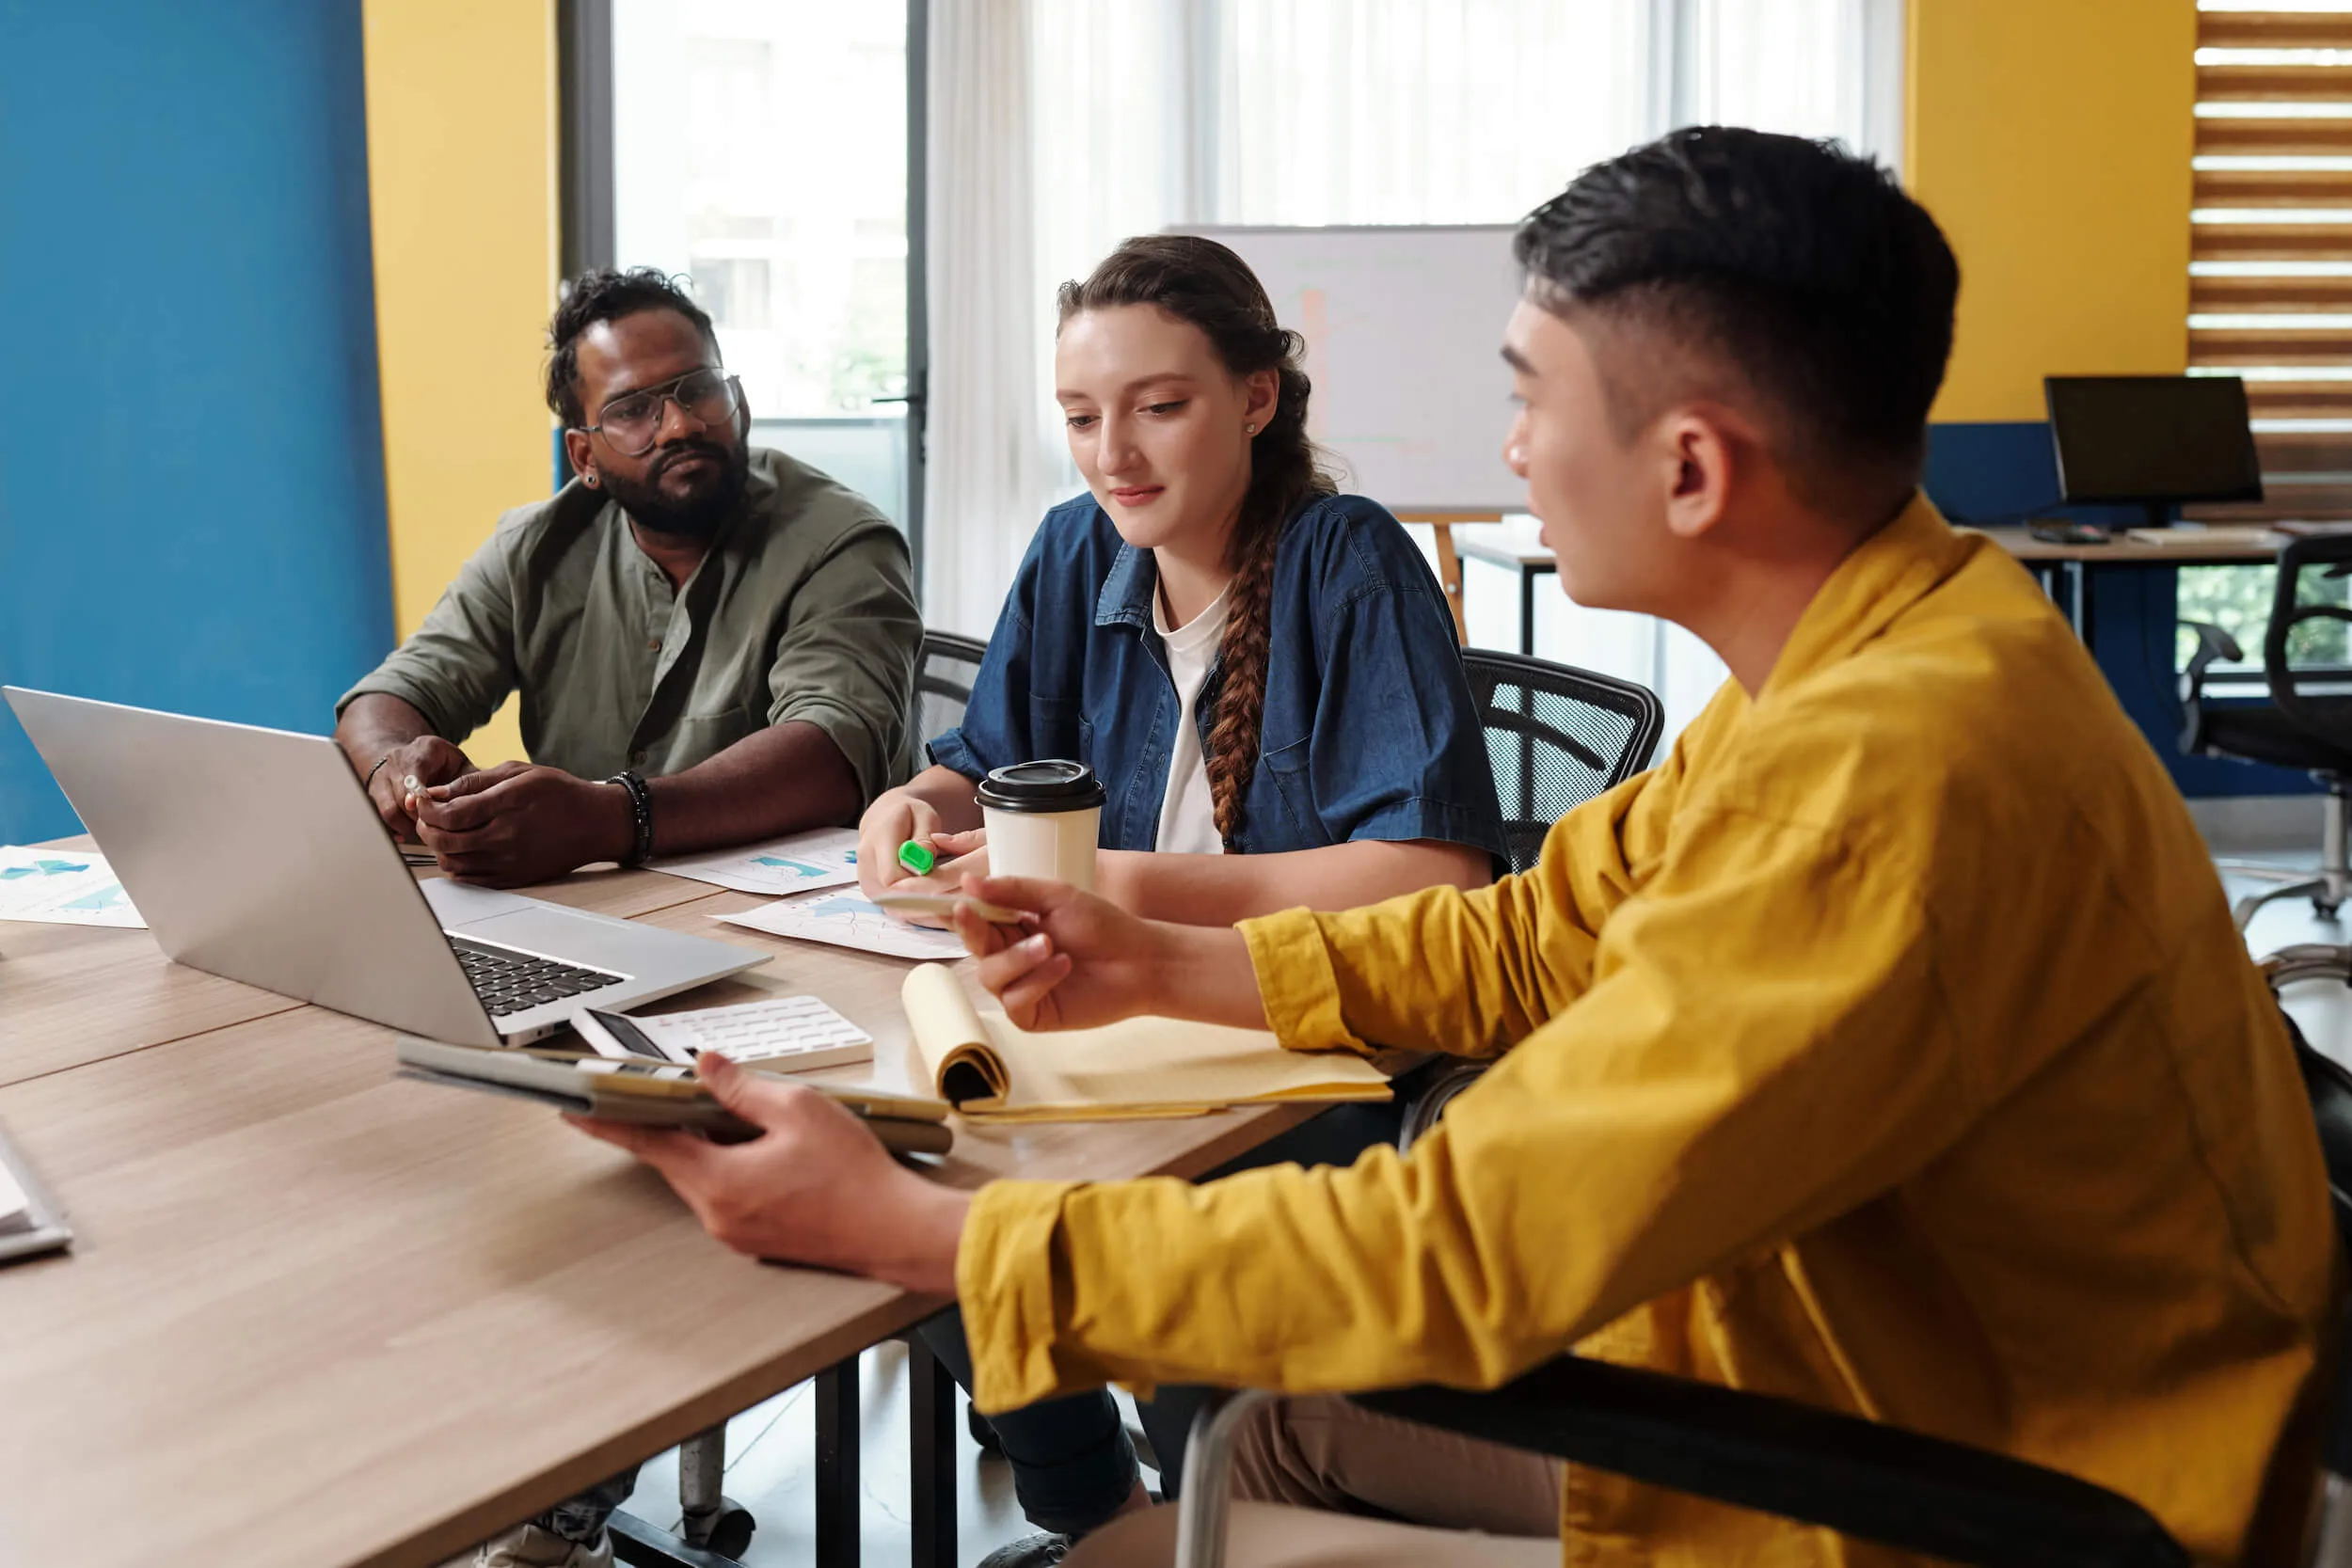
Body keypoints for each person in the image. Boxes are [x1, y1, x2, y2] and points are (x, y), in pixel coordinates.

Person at [576, 127, 2338, 1566]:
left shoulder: (1876, 780)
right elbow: (1531, 935)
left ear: (1698, 468)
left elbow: (1463, 1253)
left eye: (1528, 397)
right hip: (1902, 1367)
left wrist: (935, 1240)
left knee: (1245, 1435)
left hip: (1983, 1485)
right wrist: (1168, 956)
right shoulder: (1891, 642)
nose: (1506, 450)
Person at [862, 233, 1513, 1562]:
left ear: (1257, 397)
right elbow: (973, 768)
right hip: (1109, 1036)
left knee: (1011, 1208)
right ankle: (1101, 1509)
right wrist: (908, 819)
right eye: (1084, 416)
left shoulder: (1348, 560)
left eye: (1160, 406)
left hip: (1316, 1064)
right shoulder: (1071, 551)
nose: (1117, 452)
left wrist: (1119, 886)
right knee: (893, 1164)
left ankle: (1195, 1504)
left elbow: (1432, 876)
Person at [336, 267, 922, 889]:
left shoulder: (840, 541)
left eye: (700, 389)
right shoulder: (533, 550)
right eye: (633, 410)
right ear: (585, 456)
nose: (680, 424)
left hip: (817, 914)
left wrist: (611, 817)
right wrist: (397, 778)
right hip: (598, 905)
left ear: (739, 403)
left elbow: (830, 756)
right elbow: (384, 702)